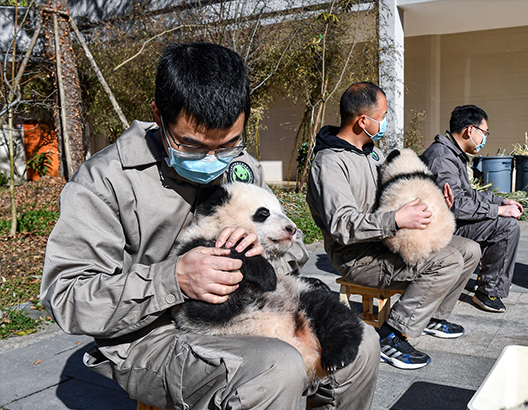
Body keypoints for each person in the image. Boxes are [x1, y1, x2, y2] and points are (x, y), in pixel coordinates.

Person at [40, 42, 380, 410]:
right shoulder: (104, 181)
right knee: (277, 368)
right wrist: (172, 279)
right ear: (159, 114)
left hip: (256, 308)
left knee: (362, 343)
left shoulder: (244, 166)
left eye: (229, 143)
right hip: (153, 335)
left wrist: (262, 257)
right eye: (192, 146)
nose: (213, 160)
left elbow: (292, 253)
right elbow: (68, 297)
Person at [307, 82, 481, 370]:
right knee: (447, 260)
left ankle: (431, 316)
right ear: (363, 121)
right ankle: (392, 334)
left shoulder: (371, 155)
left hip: (389, 241)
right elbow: (341, 225)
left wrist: (436, 203)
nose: (386, 121)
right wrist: (396, 219)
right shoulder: (330, 164)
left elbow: (397, 194)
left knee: (469, 249)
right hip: (359, 257)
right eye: (383, 114)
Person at [421, 105, 522, 313]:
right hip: (440, 228)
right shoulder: (442, 157)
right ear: (470, 131)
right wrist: (498, 212)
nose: (485, 138)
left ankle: (489, 283)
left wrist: (500, 202)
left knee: (504, 221)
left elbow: (470, 194)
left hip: (449, 223)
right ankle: (488, 291)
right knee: (506, 226)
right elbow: (457, 205)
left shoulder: (451, 154)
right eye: (484, 133)